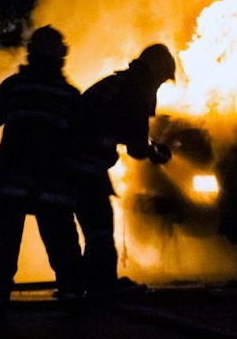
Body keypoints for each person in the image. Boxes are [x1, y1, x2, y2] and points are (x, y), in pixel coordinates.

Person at [0, 25, 84, 321]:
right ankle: (72, 294)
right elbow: (81, 141)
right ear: (62, 57)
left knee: (3, 241)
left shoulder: (16, 86)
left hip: (12, 180)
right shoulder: (70, 95)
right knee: (62, 240)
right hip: (52, 183)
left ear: (31, 54)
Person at [69, 43, 175, 296]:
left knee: (94, 225)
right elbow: (137, 147)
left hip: (73, 160)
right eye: (161, 79)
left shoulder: (122, 83)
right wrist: (155, 152)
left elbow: (129, 135)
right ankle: (101, 285)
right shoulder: (140, 89)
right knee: (100, 224)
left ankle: (85, 281)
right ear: (156, 71)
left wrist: (147, 145)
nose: (160, 85)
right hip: (84, 163)